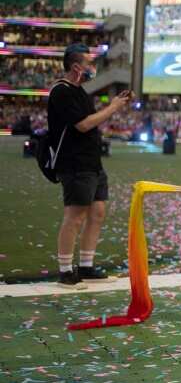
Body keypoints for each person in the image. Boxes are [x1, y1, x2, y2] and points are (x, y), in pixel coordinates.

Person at [47, 43, 131, 290]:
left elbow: (91, 124)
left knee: (97, 213)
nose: (93, 67)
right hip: (74, 163)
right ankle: (65, 272)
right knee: (75, 216)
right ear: (76, 66)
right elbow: (82, 125)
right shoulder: (62, 92)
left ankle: (86, 266)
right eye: (89, 63)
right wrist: (113, 107)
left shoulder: (80, 91)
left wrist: (114, 106)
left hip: (92, 163)